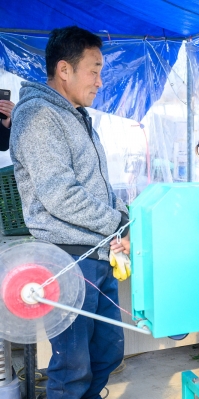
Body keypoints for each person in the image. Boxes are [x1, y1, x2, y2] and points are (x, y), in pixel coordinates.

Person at [10, 26, 129, 399]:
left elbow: (97, 184)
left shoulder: (76, 115)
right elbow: (60, 195)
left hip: (96, 254)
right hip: (67, 259)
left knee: (108, 353)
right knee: (72, 368)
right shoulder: (39, 117)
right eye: (94, 70)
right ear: (64, 69)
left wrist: (123, 213)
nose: (100, 80)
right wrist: (117, 223)